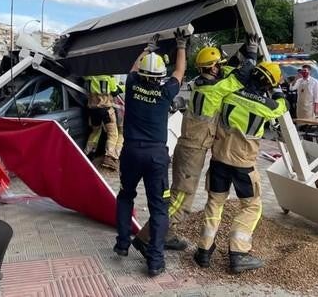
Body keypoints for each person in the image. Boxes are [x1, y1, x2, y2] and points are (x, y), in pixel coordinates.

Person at [131, 34, 261, 258]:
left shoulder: (204, 83)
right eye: (217, 66)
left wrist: (243, 50)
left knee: (179, 197)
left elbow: (229, 70)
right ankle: (146, 238)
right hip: (192, 153)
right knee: (180, 202)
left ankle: (166, 234)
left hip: (190, 149)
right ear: (211, 69)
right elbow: (238, 78)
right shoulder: (213, 89)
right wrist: (250, 55)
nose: (221, 68)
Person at [194, 61, 287, 273]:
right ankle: (238, 254)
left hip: (219, 160)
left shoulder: (229, 94)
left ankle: (203, 251)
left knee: (215, 203)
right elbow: (282, 107)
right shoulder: (267, 105)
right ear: (268, 85)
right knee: (252, 206)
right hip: (243, 165)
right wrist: (279, 91)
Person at [114, 30, 187, 277]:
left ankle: (123, 244)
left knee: (126, 195)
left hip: (131, 152)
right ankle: (155, 261)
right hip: (156, 156)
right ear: (160, 76)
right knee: (158, 208)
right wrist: (181, 45)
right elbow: (179, 72)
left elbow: (134, 68)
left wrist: (148, 48)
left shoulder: (132, 84)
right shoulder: (166, 92)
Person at [83, 75, 120, 170]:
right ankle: (109, 157)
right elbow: (115, 92)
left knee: (95, 132)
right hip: (106, 110)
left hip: (93, 110)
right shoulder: (109, 77)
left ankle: (87, 154)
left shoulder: (88, 77)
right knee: (113, 133)